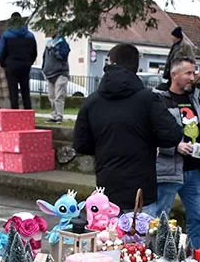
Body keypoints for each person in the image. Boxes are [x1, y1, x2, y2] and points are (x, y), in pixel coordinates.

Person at [73, 43, 182, 212]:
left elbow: (81, 144)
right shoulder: (147, 99)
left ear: (112, 63)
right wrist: (149, 139)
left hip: (107, 190)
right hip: (141, 193)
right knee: (141, 238)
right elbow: (173, 135)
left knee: (107, 237)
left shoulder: (92, 102)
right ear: (135, 67)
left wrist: (105, 144)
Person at [153, 57, 200, 249]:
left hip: (196, 169)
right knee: (161, 216)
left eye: (194, 73)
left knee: (197, 217)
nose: (192, 77)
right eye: (188, 73)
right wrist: (174, 146)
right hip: (170, 169)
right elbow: (152, 133)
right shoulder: (158, 99)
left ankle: (194, 255)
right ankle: (159, 253)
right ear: (174, 75)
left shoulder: (195, 97)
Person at [0, 12, 37, 110]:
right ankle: (28, 112)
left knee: (13, 91)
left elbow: (0, 52)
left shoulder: (6, 35)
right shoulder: (30, 36)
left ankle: (15, 113)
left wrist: (3, 63)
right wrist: (29, 62)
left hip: (11, 65)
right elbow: (34, 52)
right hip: (25, 65)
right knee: (25, 90)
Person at [42, 31, 70, 123]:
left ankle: (59, 116)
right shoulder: (48, 44)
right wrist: (44, 68)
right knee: (52, 96)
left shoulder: (63, 44)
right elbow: (44, 58)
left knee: (59, 96)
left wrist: (53, 49)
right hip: (49, 74)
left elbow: (63, 56)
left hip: (60, 73)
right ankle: (54, 116)